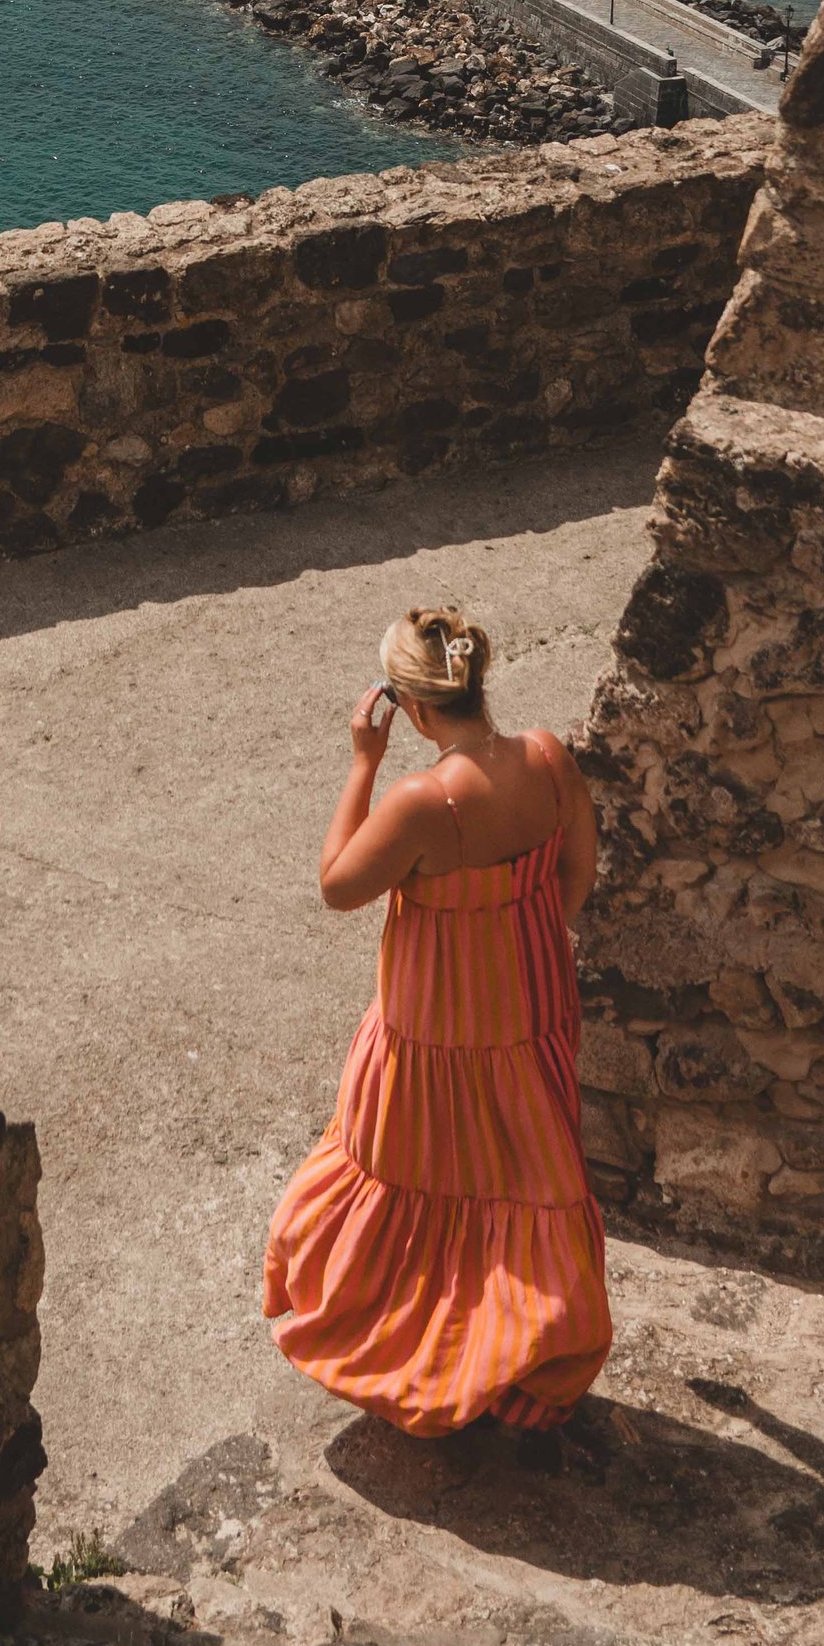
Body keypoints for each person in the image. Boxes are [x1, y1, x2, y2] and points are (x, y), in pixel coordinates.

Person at [261, 604, 610, 1436]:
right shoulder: (549, 758)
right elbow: (578, 876)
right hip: (531, 1007)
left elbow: (338, 885)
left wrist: (361, 765)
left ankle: (434, 1353)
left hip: (434, 1027)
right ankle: (529, 1348)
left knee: (419, 1179)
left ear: (411, 707)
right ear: (475, 680)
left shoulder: (420, 803)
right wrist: (514, 937)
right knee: (524, 1181)